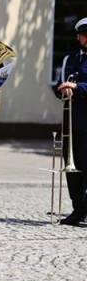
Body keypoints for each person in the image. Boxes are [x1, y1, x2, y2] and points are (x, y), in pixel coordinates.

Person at [52, 16, 87, 226]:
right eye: (84, 35)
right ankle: (78, 209)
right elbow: (58, 84)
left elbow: (79, 85)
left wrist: (77, 87)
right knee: (73, 169)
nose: (86, 39)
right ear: (78, 37)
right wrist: (62, 89)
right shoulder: (69, 59)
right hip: (72, 123)